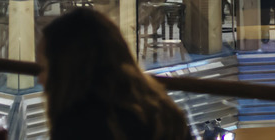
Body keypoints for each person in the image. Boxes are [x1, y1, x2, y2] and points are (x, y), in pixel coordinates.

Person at [38, 8, 192, 140]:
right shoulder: (163, 111)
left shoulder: (78, 126)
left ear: (67, 69)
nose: (39, 79)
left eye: (44, 68)